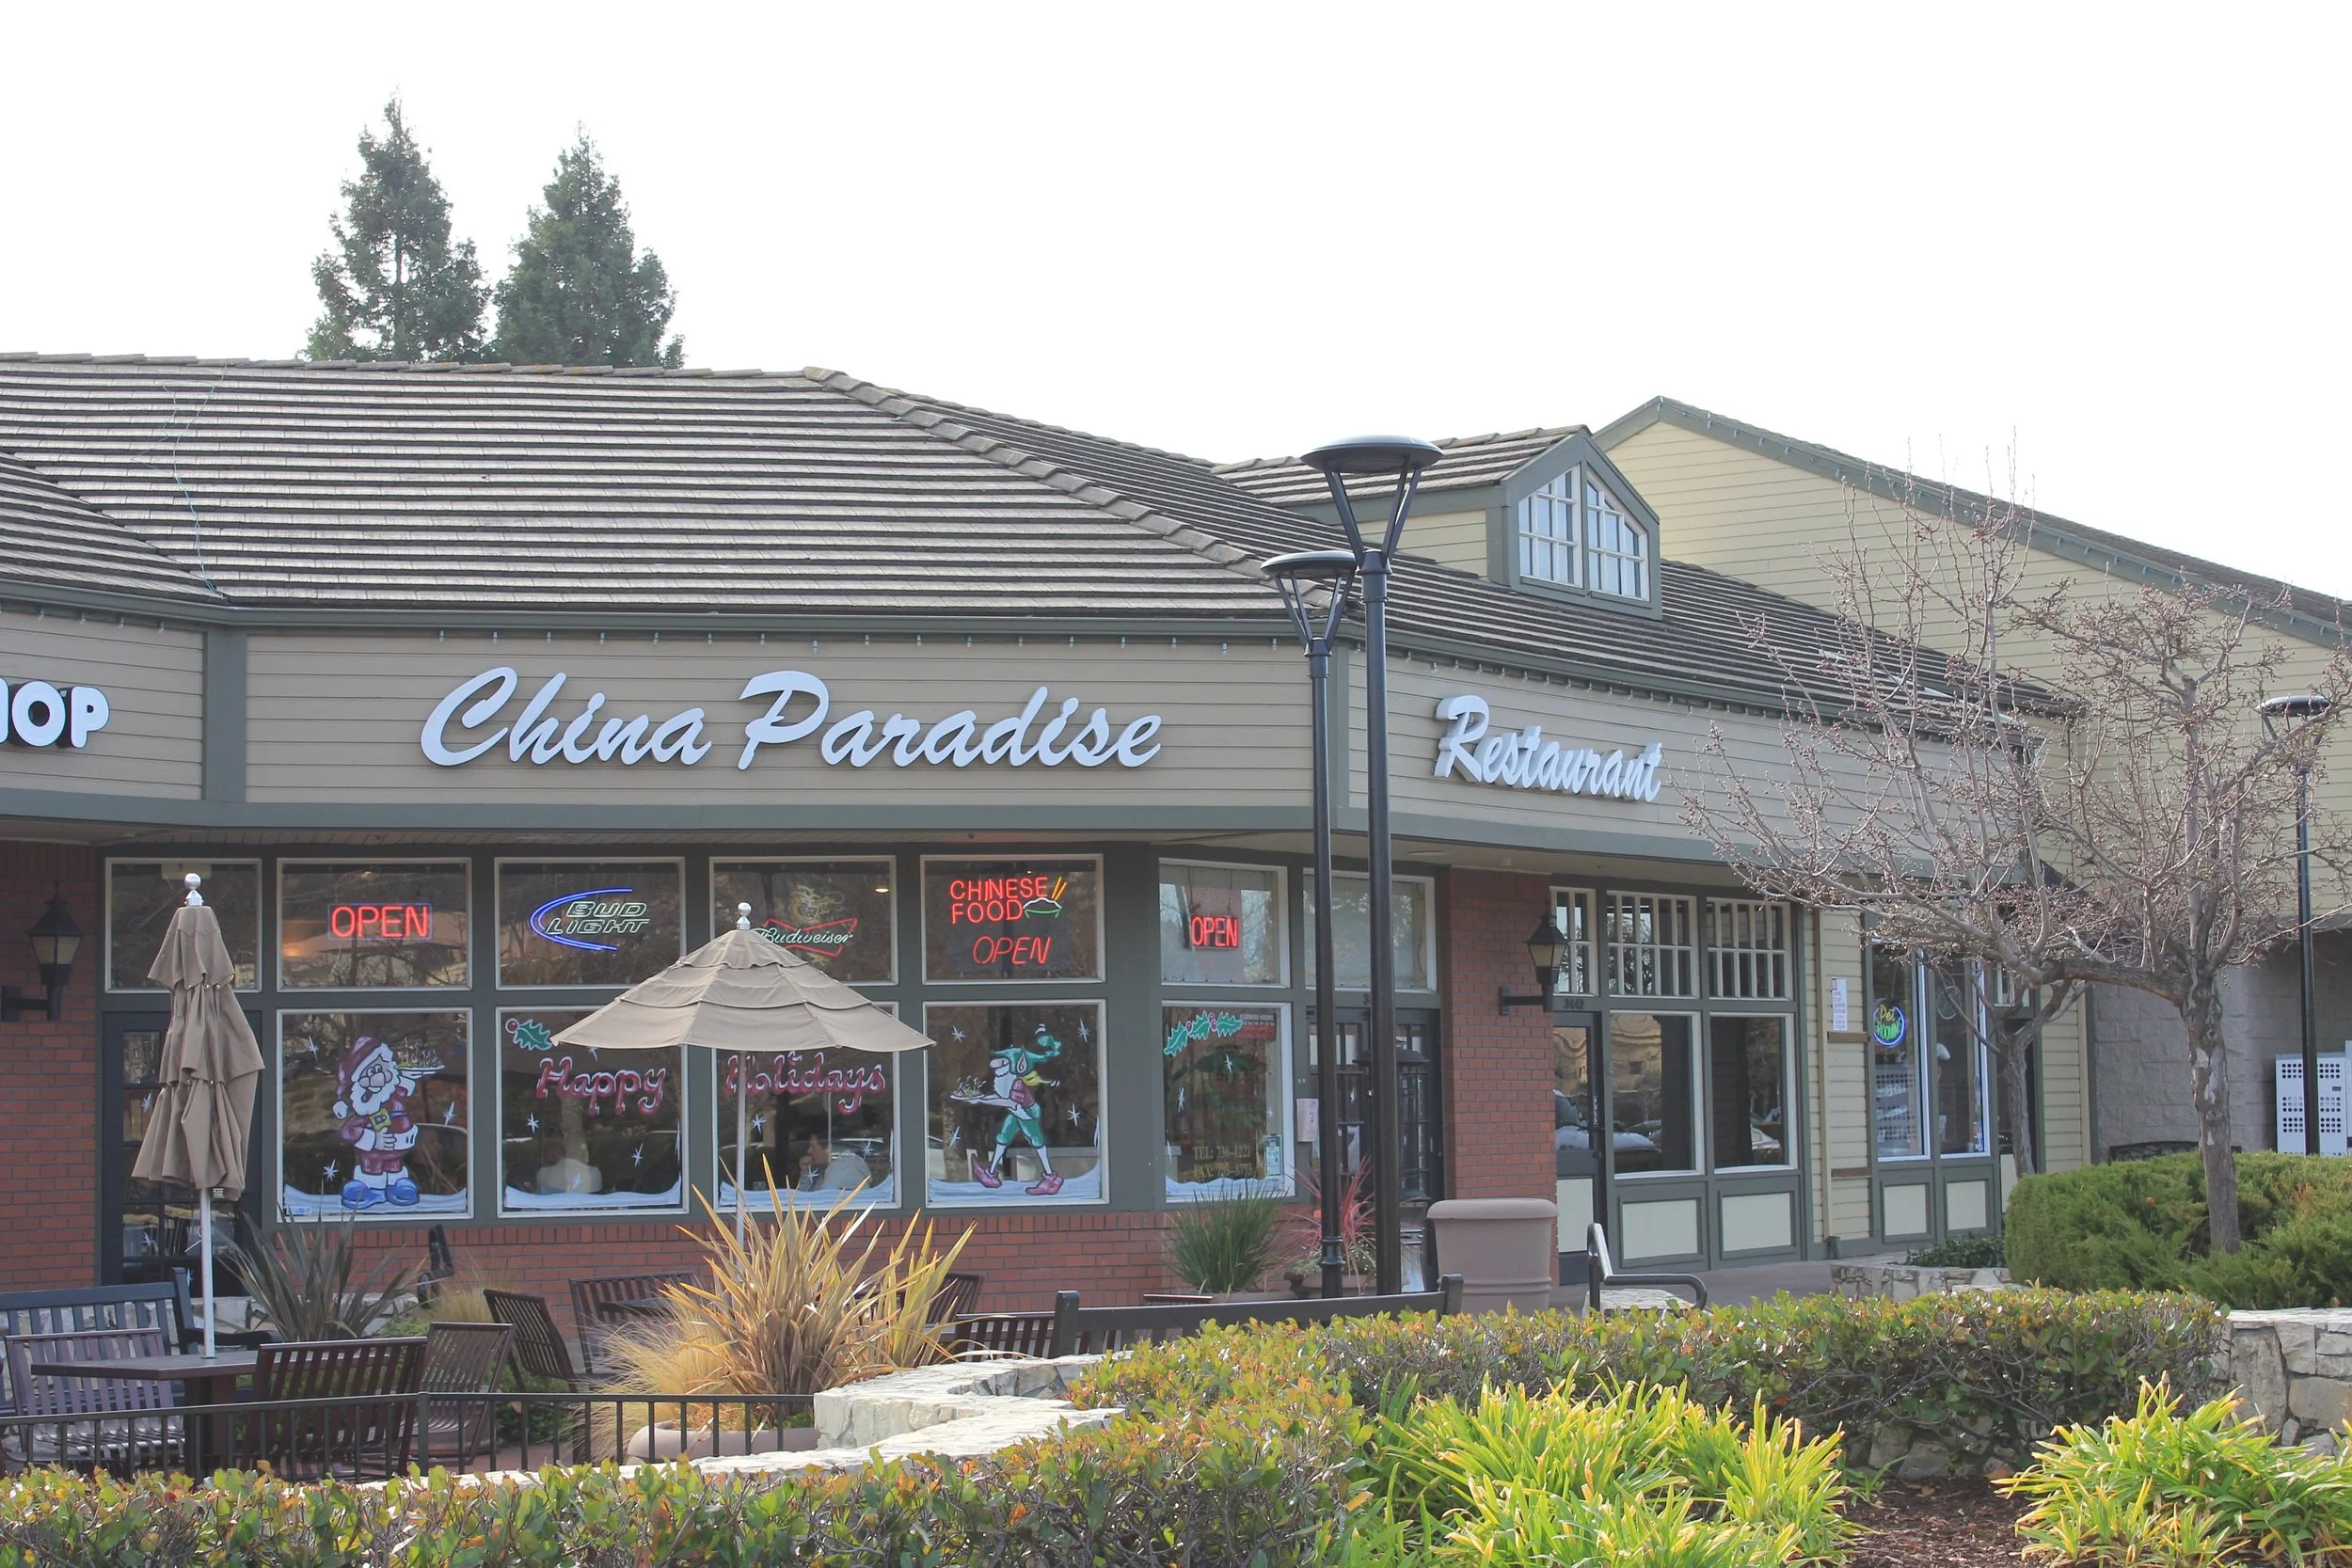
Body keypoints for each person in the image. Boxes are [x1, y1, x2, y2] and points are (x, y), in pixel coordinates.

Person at [799, 1135, 872, 1193]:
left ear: (828, 1148)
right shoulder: (829, 1167)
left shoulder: (840, 1169)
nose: (809, 1151)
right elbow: (808, 1199)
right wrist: (805, 1172)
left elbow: (821, 1205)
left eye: (813, 1146)